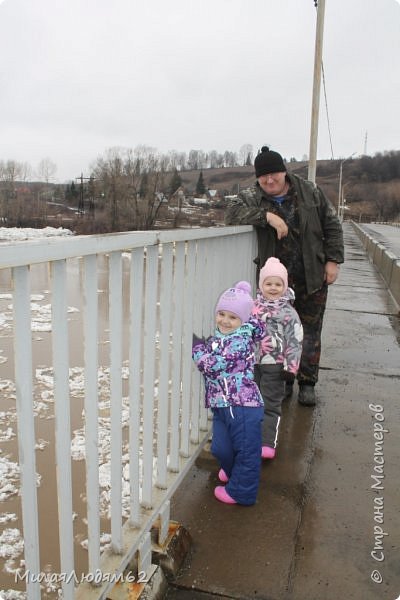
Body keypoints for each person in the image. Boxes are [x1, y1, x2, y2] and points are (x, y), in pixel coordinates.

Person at [225, 146, 344, 406]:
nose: (269, 181)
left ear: (284, 172)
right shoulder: (253, 196)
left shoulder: (309, 191)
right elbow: (229, 213)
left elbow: (332, 225)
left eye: (274, 175)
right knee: (278, 334)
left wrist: (333, 261)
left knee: (310, 331)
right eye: (263, 177)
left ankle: (307, 382)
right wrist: (266, 216)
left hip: (312, 276)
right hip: (274, 285)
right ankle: (286, 379)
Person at [192, 281, 265, 506]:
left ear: (242, 321)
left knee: (246, 451)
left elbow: (212, 365)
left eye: (232, 317)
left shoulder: (240, 342)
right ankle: (233, 472)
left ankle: (241, 493)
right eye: (221, 314)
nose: (225, 320)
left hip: (242, 406)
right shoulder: (220, 338)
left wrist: (198, 349)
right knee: (220, 448)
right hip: (224, 405)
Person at [252, 257, 303, 459]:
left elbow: (295, 341)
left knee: (270, 404)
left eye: (278, 284)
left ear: (285, 285)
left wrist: (291, 368)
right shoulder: (253, 308)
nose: (273, 288)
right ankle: (253, 438)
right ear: (261, 285)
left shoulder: (289, 313)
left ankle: (267, 443)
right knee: (252, 403)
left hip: (275, 365)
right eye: (268, 283)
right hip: (254, 364)